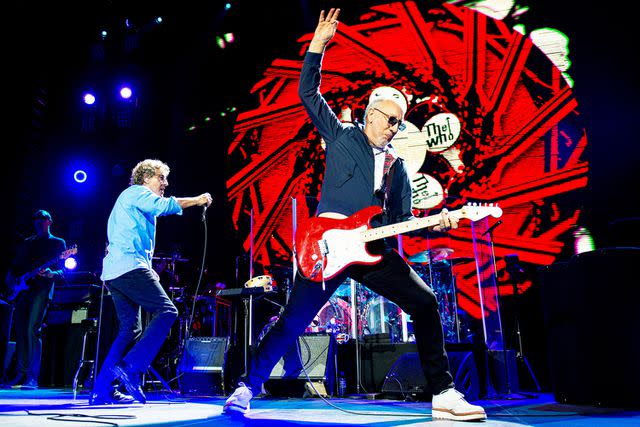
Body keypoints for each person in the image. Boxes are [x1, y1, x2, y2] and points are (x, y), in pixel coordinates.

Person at [223, 9, 486, 421]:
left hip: (371, 250)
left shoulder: (398, 167)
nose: (396, 127)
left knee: (426, 301)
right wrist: (317, 46)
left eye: (400, 122)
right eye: (390, 119)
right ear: (371, 114)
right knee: (292, 321)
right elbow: (308, 94)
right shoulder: (343, 136)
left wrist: (435, 221)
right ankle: (245, 387)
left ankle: (444, 393)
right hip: (325, 247)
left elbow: (400, 220)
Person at [90, 159, 212, 405]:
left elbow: (133, 237)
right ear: (145, 178)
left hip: (117, 271)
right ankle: (131, 368)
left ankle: (101, 390)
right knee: (167, 311)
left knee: (129, 330)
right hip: (127, 268)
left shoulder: (133, 200)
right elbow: (165, 205)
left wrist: (149, 270)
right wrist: (198, 200)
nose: (165, 183)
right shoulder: (136, 192)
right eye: (161, 178)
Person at [1, 209, 66, 390]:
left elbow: (63, 270)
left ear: (50, 222)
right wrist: (13, 282)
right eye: (36, 219)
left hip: (42, 289)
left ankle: (32, 377)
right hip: (23, 290)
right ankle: (21, 373)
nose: (38, 222)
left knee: (33, 329)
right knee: (21, 331)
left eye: (42, 219)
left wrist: (52, 273)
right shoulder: (28, 243)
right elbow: (14, 266)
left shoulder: (58, 243)